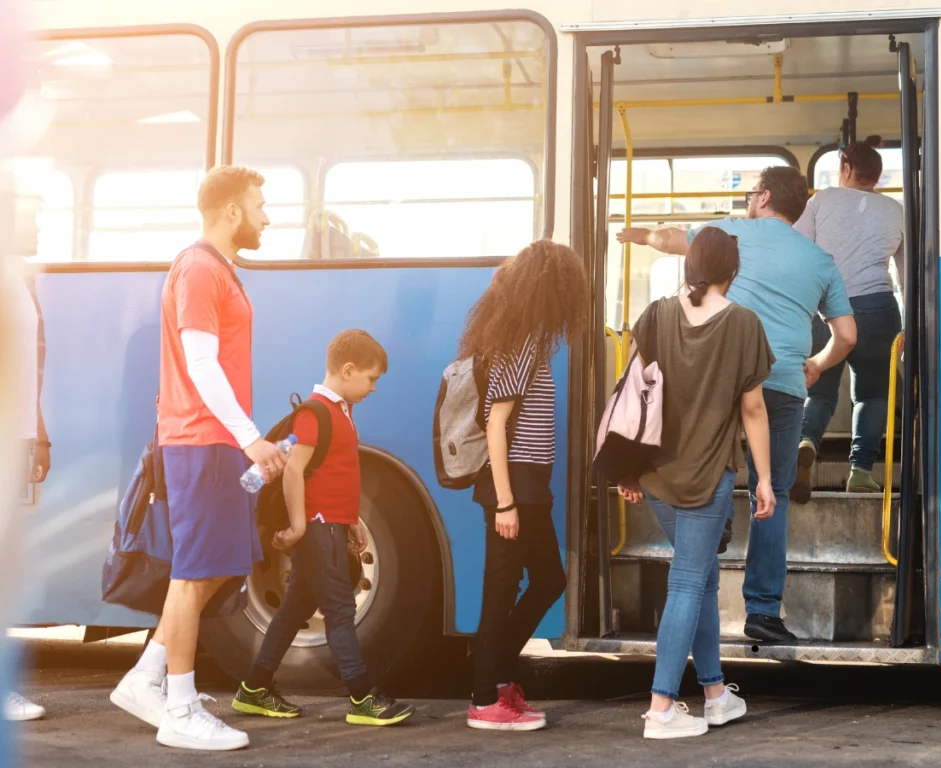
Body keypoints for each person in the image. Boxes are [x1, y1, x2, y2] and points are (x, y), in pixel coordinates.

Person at [617, 166, 856, 643]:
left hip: (720, 377)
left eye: (752, 193)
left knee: (712, 470)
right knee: (776, 493)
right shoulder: (820, 259)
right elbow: (847, 334)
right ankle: (763, 612)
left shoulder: (729, 234)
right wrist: (816, 364)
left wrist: (636, 233)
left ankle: (718, 526)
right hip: (784, 382)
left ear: (764, 197)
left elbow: (669, 239)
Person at [109, 166, 286, 751]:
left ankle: (147, 677)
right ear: (231, 211)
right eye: (260, 205)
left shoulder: (220, 271)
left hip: (213, 444)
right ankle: (180, 709)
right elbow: (201, 364)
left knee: (216, 567)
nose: (267, 216)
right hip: (201, 441)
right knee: (192, 575)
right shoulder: (200, 268)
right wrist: (251, 436)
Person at [618, 227, 775, 739]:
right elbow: (753, 409)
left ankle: (714, 694)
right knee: (688, 581)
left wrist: (627, 467)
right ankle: (661, 709)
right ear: (733, 270)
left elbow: (633, 395)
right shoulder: (744, 324)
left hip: (658, 476)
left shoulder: (657, 315)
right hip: (708, 477)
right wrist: (765, 480)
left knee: (703, 578)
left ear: (689, 266)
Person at [232, 329, 414, 727]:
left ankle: (253, 688)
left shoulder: (341, 412)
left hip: (332, 526)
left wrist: (350, 525)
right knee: (340, 609)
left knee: (296, 606)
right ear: (348, 371)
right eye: (371, 378)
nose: (373, 387)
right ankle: (363, 696)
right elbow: (294, 471)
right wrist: (298, 526)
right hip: (316, 528)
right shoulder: (315, 414)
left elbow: (337, 478)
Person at [459, 240, 587, 731]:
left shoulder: (528, 336)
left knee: (549, 580)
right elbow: (496, 423)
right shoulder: (522, 341)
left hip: (528, 483)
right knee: (500, 589)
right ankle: (483, 698)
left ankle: (492, 670)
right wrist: (505, 501)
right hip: (512, 485)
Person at [791, 136, 905, 500]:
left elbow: (797, 250)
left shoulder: (822, 200)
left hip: (826, 308)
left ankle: (806, 441)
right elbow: (907, 274)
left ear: (845, 168)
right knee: (872, 396)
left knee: (820, 391)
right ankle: (860, 471)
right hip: (879, 308)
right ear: (877, 176)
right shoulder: (896, 210)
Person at [3, 200, 50, 724]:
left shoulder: (19, 278)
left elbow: (26, 361)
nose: (38, 224)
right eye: (29, 213)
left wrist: (38, 433)